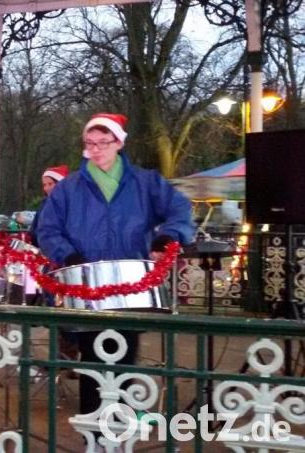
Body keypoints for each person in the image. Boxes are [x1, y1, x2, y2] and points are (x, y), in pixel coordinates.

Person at [37, 112, 194, 447]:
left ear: (119, 143)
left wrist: (168, 236)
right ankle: (95, 438)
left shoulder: (145, 182)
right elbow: (47, 229)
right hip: (86, 285)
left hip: (130, 289)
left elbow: (181, 210)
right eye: (89, 144)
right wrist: (67, 255)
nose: (95, 150)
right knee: (93, 365)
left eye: (103, 143)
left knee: (124, 360)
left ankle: (119, 435)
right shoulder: (68, 189)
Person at [29, 165, 68, 246]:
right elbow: (34, 229)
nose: (46, 188)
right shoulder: (44, 204)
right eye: (44, 185)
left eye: (50, 184)